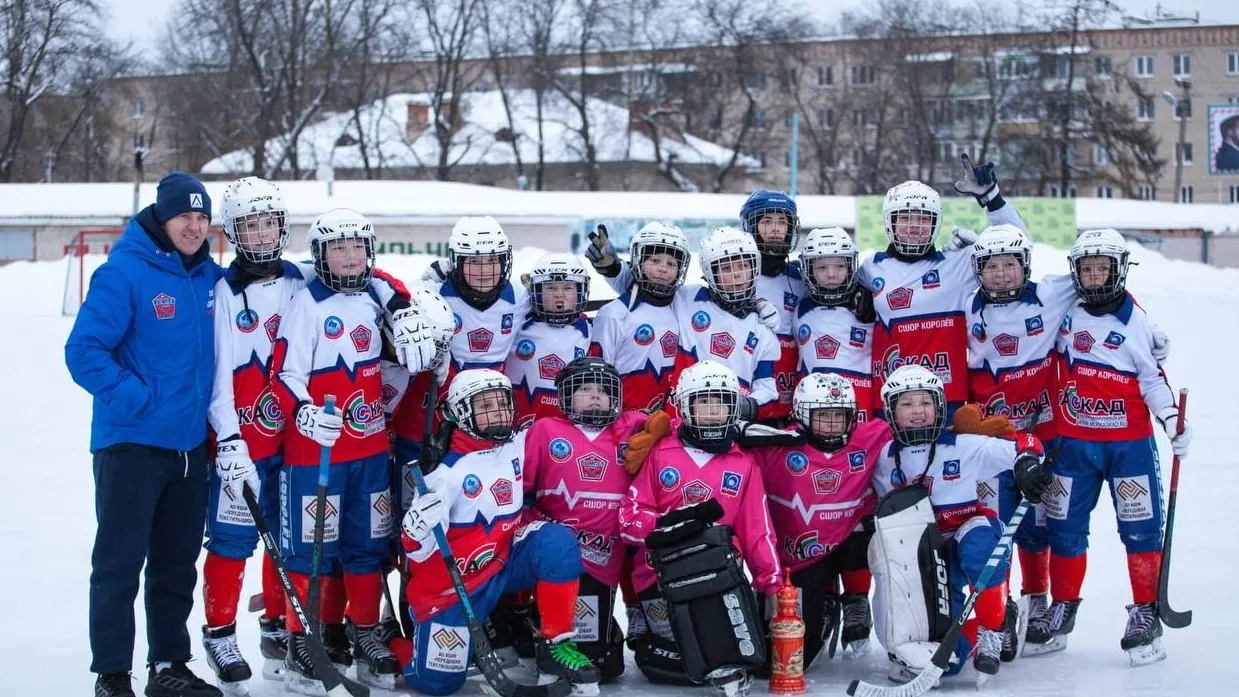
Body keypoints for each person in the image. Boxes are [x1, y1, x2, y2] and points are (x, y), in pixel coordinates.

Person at [202, 179, 427, 692]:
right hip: (249, 440)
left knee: (293, 542)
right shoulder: (223, 291)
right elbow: (218, 378)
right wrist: (229, 439)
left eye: (270, 224)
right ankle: (220, 634)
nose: (262, 235)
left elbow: (368, 274)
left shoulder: (302, 275)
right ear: (233, 232)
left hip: (301, 443)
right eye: (250, 226)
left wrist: (404, 305)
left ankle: (283, 630)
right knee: (235, 539)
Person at [65, 171, 225, 697]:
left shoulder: (209, 278)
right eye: (184, 216)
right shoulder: (124, 272)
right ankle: (112, 674)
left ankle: (169, 666)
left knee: (176, 568)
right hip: (131, 446)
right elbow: (83, 351)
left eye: (202, 217)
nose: (194, 227)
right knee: (119, 564)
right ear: (161, 217)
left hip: (189, 450)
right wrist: (140, 400)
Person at [271, 209, 427, 692]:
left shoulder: (377, 297)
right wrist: (303, 413)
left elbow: (394, 353)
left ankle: (364, 634)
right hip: (316, 454)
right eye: (338, 248)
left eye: (357, 246)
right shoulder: (306, 305)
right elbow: (284, 374)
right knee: (312, 552)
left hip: (370, 451)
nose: (350, 256)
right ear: (320, 256)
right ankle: (303, 640)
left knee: (366, 546)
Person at [1027, 229, 1191, 666]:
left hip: (1128, 446)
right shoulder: (1065, 313)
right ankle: (1062, 606)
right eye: (1087, 269)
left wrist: (1170, 417)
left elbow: (1153, 379)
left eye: (1103, 268)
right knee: (1064, 527)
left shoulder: (1136, 322)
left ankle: (1145, 611)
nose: (1095, 276)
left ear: (1119, 271)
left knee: (1140, 530)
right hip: (1073, 445)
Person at [395, 369, 600, 696]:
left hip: (503, 565)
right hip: (455, 588)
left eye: (503, 403)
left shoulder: (517, 443)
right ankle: (393, 640)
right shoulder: (443, 476)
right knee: (438, 683)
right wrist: (415, 528)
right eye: (486, 405)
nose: (499, 412)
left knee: (557, 544)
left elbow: (577, 432)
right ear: (461, 413)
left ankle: (555, 645)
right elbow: (417, 552)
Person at [868, 364, 1050, 687]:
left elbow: (1026, 444)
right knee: (947, 662)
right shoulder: (882, 459)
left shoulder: (964, 445)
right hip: (924, 556)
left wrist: (1027, 464)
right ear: (891, 412)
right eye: (906, 404)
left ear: (939, 406)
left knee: (982, 552)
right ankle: (1001, 619)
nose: (917, 411)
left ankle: (992, 631)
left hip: (968, 528)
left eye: (925, 402)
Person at [618, 361, 781, 696]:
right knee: (662, 664)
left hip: (718, 578)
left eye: (721, 402)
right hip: (659, 576)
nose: (713, 411)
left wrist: (772, 584)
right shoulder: (660, 451)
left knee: (730, 654)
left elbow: (758, 532)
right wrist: (668, 529)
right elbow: (629, 516)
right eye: (703, 402)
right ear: (684, 406)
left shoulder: (744, 463)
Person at [857, 155, 1026, 420]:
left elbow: (1017, 241)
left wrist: (991, 197)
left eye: (924, 219)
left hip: (947, 400)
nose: (915, 226)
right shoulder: (870, 268)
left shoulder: (956, 265)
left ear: (936, 223)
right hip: (891, 400)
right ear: (890, 222)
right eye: (906, 218)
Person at [744, 373, 893, 664]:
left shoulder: (869, 437)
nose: (833, 424)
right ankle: (825, 598)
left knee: (900, 547)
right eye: (823, 415)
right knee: (793, 656)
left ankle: (867, 605)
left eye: (840, 415)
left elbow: (915, 426)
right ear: (801, 413)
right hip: (801, 558)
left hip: (853, 543)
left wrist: (967, 427)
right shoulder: (776, 446)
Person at [521, 357, 649, 681]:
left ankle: (606, 635)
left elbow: (670, 426)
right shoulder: (546, 430)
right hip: (557, 549)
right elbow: (523, 488)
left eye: (602, 391)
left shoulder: (629, 427)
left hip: (605, 553)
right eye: (584, 389)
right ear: (565, 396)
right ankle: (540, 632)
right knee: (561, 631)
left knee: (600, 663)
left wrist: (660, 425)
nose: (595, 395)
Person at [588, 222, 692, 412]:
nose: (663, 269)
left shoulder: (684, 306)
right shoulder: (613, 314)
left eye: (671, 263)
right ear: (639, 262)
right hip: (621, 421)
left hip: (670, 422)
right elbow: (597, 377)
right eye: (655, 260)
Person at [423, 216, 529, 373]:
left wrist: (543, 284)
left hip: (498, 385)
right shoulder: (437, 292)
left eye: (492, 260)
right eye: (474, 261)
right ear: (458, 263)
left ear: (503, 261)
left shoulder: (519, 295)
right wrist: (422, 283)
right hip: (446, 383)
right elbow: (402, 300)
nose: (484, 270)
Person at [794, 228, 877, 420]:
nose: (831, 274)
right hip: (815, 412)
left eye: (840, 266)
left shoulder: (869, 305)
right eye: (822, 268)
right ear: (809, 269)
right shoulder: (800, 309)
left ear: (851, 266)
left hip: (862, 409)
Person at [739, 190, 807, 421]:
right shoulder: (733, 274)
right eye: (767, 221)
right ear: (750, 226)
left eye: (782, 222)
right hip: (746, 398)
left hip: (791, 402)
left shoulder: (801, 279)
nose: (776, 229)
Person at [505, 253, 592, 428]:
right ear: (535, 290)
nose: (559, 295)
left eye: (568, 288)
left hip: (567, 432)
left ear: (581, 291)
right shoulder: (517, 324)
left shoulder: (589, 331)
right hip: (517, 428)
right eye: (551, 288)